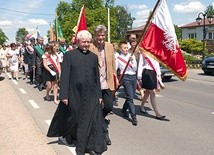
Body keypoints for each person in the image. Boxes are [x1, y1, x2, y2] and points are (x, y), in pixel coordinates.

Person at [47, 30, 107, 155]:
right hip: (75, 93)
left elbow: (96, 78)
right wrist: (64, 95)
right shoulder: (69, 55)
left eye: (88, 42)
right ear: (78, 41)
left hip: (91, 94)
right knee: (75, 118)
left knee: (90, 120)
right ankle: (69, 133)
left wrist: (99, 96)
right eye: (84, 42)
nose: (86, 44)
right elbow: (65, 77)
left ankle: (86, 146)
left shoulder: (93, 57)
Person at [89, 24, 117, 145]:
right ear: (94, 36)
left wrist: (115, 79)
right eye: (98, 35)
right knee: (96, 108)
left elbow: (113, 64)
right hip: (94, 85)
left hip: (107, 83)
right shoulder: (90, 47)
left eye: (103, 35)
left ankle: (98, 119)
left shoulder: (110, 46)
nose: (101, 38)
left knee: (109, 107)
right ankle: (104, 134)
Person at [137, 53, 166, 120]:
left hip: (153, 73)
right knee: (152, 92)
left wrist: (159, 74)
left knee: (147, 92)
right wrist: (139, 77)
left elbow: (156, 64)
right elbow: (140, 65)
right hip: (147, 73)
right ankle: (157, 113)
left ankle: (141, 106)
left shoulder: (154, 52)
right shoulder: (143, 53)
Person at [116, 41, 138, 125]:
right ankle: (133, 116)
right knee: (130, 98)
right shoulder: (118, 58)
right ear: (120, 49)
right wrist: (116, 80)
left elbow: (135, 68)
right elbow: (115, 69)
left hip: (133, 77)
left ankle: (124, 109)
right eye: (124, 48)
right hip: (125, 77)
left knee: (130, 96)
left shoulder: (131, 56)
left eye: (126, 48)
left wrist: (132, 61)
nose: (125, 50)